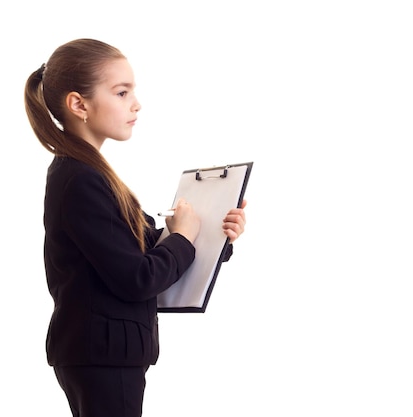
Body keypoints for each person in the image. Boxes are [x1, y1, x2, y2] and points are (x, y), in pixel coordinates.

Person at [23, 38, 247, 417]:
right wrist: (182, 236)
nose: (136, 104)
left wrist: (215, 235)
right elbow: (138, 277)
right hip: (103, 356)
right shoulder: (80, 179)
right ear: (79, 104)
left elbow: (142, 255)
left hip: (104, 354)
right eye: (122, 92)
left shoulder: (88, 173)